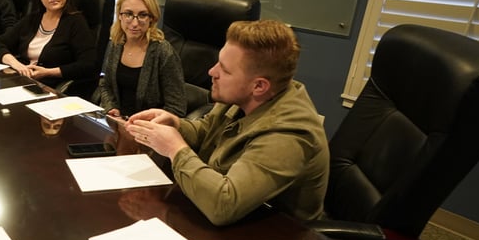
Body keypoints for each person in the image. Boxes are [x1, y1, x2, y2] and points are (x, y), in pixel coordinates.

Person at [124, 19, 328, 226]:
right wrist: (176, 125)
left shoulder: (288, 134)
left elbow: (223, 205)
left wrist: (175, 148)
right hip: (232, 224)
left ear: (259, 86)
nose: (212, 72)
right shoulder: (247, 96)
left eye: (225, 70)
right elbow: (207, 131)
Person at [0, 0, 96, 89]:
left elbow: (88, 64)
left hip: (52, 88)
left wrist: (48, 72)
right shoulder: (33, 19)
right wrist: (17, 65)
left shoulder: (76, 22)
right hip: (22, 82)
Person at [97, 0, 185, 118]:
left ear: (152, 18)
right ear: (119, 15)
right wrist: (111, 108)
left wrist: (143, 124)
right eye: (128, 14)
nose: (134, 23)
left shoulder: (163, 52)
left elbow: (176, 108)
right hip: (118, 123)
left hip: (148, 129)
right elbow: (106, 85)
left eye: (142, 15)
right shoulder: (118, 42)